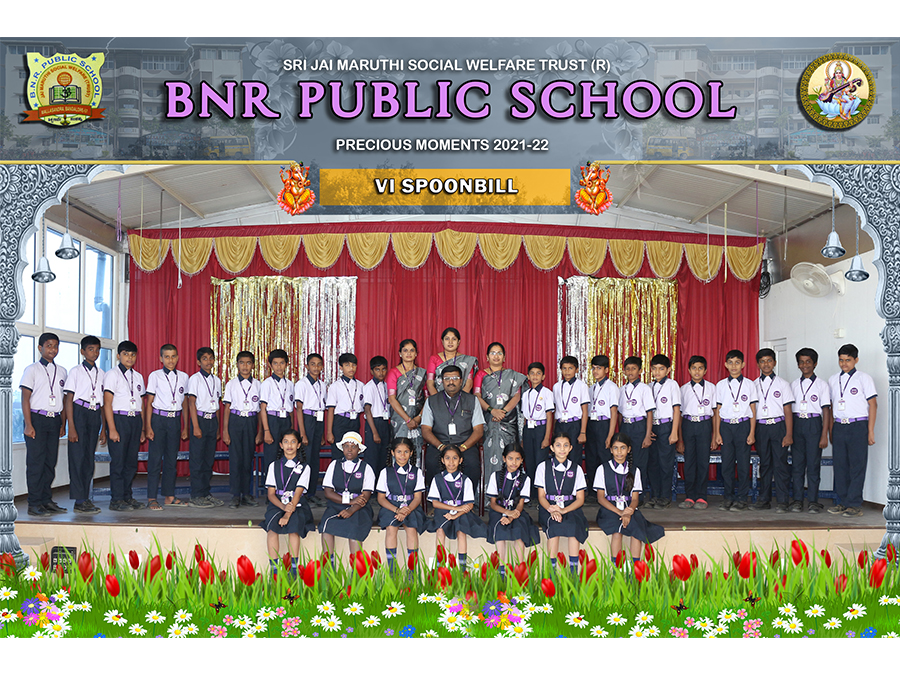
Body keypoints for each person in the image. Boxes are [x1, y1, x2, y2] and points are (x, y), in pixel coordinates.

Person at [595, 432, 665, 563]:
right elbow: (601, 498)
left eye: (623, 448)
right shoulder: (602, 469)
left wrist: (629, 511)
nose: (619, 452)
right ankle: (616, 569)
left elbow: (635, 499)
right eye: (615, 448)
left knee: (637, 531)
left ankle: (636, 568)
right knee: (617, 531)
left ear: (629, 449)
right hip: (609, 509)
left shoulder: (634, 470)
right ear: (611, 450)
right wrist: (620, 512)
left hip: (629, 508)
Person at [20, 332, 69, 517]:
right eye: (49, 346)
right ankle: (34, 503)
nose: (53, 349)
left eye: (55, 346)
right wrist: (28, 424)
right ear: (40, 348)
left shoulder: (62, 371)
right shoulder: (31, 369)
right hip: (37, 420)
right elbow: (25, 399)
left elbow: (63, 400)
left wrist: (62, 424)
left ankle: (46, 500)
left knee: (50, 462)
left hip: (54, 420)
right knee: (36, 463)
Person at [827, 344, 877, 518]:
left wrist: (870, 431)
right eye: (841, 360)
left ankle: (854, 504)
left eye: (848, 360)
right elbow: (832, 406)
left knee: (857, 465)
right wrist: (831, 430)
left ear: (856, 360)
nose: (844, 364)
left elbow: (873, 405)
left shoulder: (864, 378)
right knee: (840, 465)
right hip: (839, 426)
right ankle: (842, 501)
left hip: (858, 426)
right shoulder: (833, 379)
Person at [420, 364, 485, 491]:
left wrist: (463, 447)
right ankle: (437, 498)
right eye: (447, 378)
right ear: (441, 381)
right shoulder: (431, 401)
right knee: (432, 463)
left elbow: (478, 430)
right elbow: (426, 430)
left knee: (472, 464)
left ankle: (467, 499)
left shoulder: (472, 400)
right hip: (440, 444)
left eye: (455, 378)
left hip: (465, 445)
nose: (451, 382)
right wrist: (441, 447)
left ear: (461, 381)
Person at [263, 428, 314, 578]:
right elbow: (271, 494)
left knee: (294, 528)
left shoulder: (305, 467)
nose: (289, 445)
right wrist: (282, 507)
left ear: (298, 445)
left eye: (293, 442)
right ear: (281, 445)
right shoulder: (274, 466)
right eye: (286, 442)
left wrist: (287, 513)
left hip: (297, 504)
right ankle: (274, 570)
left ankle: (293, 569)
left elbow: (298, 493)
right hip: (278, 503)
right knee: (272, 529)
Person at [62, 335, 105, 515]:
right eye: (90, 349)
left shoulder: (102, 373)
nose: (94, 353)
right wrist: (70, 426)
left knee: (88, 458)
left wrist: (104, 428)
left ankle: (85, 498)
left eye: (97, 350)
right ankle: (79, 500)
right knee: (77, 457)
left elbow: (103, 402)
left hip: (95, 414)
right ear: (82, 352)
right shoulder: (75, 372)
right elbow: (68, 399)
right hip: (79, 413)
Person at [143, 343, 190, 510]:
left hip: (175, 421)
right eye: (167, 357)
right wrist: (148, 427)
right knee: (155, 460)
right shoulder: (155, 376)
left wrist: (185, 426)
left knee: (171, 460)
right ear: (161, 358)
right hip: (158, 420)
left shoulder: (184, 377)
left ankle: (169, 496)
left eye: (173, 356)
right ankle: (151, 498)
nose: (170, 360)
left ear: (178, 357)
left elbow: (185, 403)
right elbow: (149, 403)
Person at [535, 430, 589, 573]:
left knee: (574, 526)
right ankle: (551, 573)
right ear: (552, 448)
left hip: (570, 507)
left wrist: (563, 510)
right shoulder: (543, 467)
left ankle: (573, 573)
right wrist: (552, 510)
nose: (562, 449)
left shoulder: (576, 468)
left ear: (571, 448)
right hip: (549, 507)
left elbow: (580, 499)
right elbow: (541, 496)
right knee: (554, 526)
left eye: (566, 445)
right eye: (558, 445)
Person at [428, 444, 487, 571]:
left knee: (461, 531)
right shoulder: (437, 479)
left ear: (460, 460)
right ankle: (439, 567)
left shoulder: (465, 480)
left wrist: (456, 514)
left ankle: (462, 569)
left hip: (462, 513)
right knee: (440, 530)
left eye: (455, 458)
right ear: (442, 460)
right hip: (443, 510)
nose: (451, 461)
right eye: (447, 458)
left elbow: (469, 505)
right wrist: (455, 508)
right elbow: (435, 503)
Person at [318, 431, 375, 561]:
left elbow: (365, 496)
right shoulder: (334, 465)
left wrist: (351, 509)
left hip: (359, 507)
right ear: (342, 448)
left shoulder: (366, 468)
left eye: (353, 446)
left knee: (354, 531)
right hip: (337, 504)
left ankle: (357, 568)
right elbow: (328, 492)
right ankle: (328, 567)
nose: (349, 449)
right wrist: (349, 501)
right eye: (346, 446)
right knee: (326, 528)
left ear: (359, 449)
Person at [103, 340, 146, 512]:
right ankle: (116, 499)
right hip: (119, 420)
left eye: (133, 354)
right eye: (126, 354)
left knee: (131, 462)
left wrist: (142, 428)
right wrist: (112, 429)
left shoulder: (138, 376)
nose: (129, 357)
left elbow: (141, 404)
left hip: (135, 420)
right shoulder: (112, 375)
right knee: (119, 462)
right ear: (118, 356)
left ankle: (127, 496)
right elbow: (107, 404)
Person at [751, 348, 794, 513]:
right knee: (765, 464)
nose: (766, 364)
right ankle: (764, 499)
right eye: (762, 361)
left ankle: (783, 501)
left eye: (769, 360)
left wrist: (788, 434)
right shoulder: (753, 385)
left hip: (778, 426)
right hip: (761, 427)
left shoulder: (783, 384)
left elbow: (788, 410)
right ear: (758, 364)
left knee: (780, 464)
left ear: (774, 362)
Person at [713, 350, 757, 512]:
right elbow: (717, 411)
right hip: (726, 427)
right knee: (727, 464)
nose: (734, 366)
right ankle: (728, 497)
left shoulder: (750, 384)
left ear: (743, 364)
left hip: (743, 426)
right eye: (730, 363)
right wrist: (717, 433)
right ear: (726, 365)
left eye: (737, 362)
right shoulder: (720, 385)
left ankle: (742, 499)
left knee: (744, 464)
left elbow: (753, 409)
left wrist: (752, 432)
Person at [789, 348, 831, 514]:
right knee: (797, 465)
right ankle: (797, 500)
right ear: (798, 364)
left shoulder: (822, 385)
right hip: (797, 423)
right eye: (801, 362)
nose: (804, 365)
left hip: (814, 424)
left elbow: (826, 411)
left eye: (808, 362)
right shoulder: (793, 385)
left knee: (813, 465)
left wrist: (824, 435)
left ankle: (813, 501)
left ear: (815, 364)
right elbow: (789, 410)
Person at [376, 437, 427, 572]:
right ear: (393, 453)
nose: (402, 455)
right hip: (391, 506)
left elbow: (417, 498)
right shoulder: (385, 472)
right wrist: (397, 510)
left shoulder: (416, 472)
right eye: (399, 452)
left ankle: (412, 570)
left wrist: (407, 510)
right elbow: (381, 498)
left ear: (411, 453)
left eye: (406, 452)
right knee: (391, 528)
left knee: (411, 529)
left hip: (411, 506)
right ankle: (392, 569)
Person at [474, 342, 525, 476]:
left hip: (508, 421)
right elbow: (477, 396)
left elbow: (517, 396)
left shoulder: (512, 376)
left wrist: (503, 412)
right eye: (493, 353)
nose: (496, 356)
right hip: (489, 420)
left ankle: (511, 485)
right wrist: (492, 410)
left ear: (504, 357)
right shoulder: (480, 375)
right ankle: (490, 487)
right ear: (487, 357)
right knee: (490, 452)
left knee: (510, 453)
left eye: (499, 353)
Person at [486, 445, 540, 568]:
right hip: (499, 511)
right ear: (504, 458)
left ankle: (519, 569)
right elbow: (493, 503)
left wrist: (511, 517)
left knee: (519, 530)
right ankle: (501, 570)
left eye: (517, 459)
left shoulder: (525, 479)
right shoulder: (495, 476)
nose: (514, 462)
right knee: (500, 530)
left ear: (522, 460)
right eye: (510, 458)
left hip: (517, 512)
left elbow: (520, 504)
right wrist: (506, 513)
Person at [222, 351, 262, 509]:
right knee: (236, 459)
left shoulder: (258, 384)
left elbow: (260, 410)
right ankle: (235, 495)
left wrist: (260, 431)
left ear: (253, 365)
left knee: (247, 459)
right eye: (242, 363)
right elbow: (226, 408)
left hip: (251, 421)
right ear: (237, 364)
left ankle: (246, 494)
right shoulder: (231, 384)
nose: (245, 366)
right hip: (236, 421)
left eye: (248, 363)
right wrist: (225, 430)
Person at [678, 355, 716, 510]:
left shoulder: (712, 388)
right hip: (688, 425)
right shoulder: (683, 389)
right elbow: (679, 415)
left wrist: (715, 436)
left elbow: (715, 413)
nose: (697, 371)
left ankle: (701, 496)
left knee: (702, 462)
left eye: (700, 368)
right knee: (689, 462)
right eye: (694, 368)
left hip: (705, 425)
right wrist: (680, 439)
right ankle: (689, 496)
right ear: (689, 370)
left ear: (705, 370)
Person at [186, 347, 223, 508]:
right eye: (205, 358)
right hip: (199, 420)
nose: (208, 361)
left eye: (211, 358)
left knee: (208, 460)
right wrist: (195, 426)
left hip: (212, 421)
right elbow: (191, 403)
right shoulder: (195, 379)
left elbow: (217, 405)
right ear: (198, 362)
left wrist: (218, 427)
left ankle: (205, 493)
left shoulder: (217, 380)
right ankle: (196, 495)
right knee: (197, 459)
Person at [618, 356, 655, 505]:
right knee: (624, 460)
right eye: (627, 369)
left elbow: (649, 413)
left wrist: (647, 435)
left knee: (639, 463)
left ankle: (638, 496)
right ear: (624, 371)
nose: (630, 371)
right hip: (625, 426)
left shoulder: (645, 389)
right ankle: (625, 493)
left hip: (639, 426)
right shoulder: (621, 390)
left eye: (634, 368)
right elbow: (619, 413)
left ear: (640, 370)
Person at [647, 354, 681, 509]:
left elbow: (676, 410)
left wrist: (674, 432)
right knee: (653, 462)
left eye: (661, 369)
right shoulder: (648, 386)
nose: (657, 372)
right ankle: (654, 495)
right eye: (654, 369)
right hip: (652, 427)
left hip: (666, 426)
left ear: (668, 370)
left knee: (665, 463)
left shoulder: (672, 385)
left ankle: (665, 496)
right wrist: (648, 430)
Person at [294, 352, 326, 505]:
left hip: (318, 421)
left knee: (314, 459)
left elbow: (323, 409)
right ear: (307, 366)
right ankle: (302, 494)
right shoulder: (302, 384)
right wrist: (302, 433)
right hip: (307, 420)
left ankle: (312, 492)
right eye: (312, 364)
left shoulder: (322, 385)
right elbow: (299, 409)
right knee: (304, 459)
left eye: (319, 364)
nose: (316, 367)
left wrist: (322, 434)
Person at [520, 362, 554, 499]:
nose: (535, 376)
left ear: (543, 376)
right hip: (528, 429)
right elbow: (524, 417)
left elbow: (549, 416)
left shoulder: (547, 393)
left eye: (538, 373)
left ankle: (542, 494)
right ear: (528, 376)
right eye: (532, 373)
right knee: (529, 462)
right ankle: (531, 494)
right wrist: (523, 437)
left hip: (541, 429)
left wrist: (547, 437)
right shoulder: (525, 394)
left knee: (540, 462)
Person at [386, 339, 426, 451]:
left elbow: (428, 398)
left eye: (412, 350)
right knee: (400, 450)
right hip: (400, 420)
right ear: (400, 353)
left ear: (416, 353)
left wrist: (418, 418)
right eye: (405, 350)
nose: (409, 353)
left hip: (417, 419)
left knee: (416, 451)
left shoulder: (422, 373)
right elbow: (392, 399)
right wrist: (408, 420)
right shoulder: (394, 373)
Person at [586, 355, 618, 492]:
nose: (595, 371)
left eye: (599, 368)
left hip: (604, 425)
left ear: (606, 370)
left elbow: (614, 413)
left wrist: (610, 435)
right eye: (593, 368)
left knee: (604, 457)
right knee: (591, 458)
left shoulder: (612, 387)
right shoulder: (591, 388)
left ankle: (607, 490)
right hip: (591, 424)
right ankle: (593, 491)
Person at [260, 349, 295, 471]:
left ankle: (284, 480)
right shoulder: (267, 383)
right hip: (272, 421)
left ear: (286, 364)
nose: (279, 366)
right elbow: (263, 408)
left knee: (287, 453)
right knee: (272, 454)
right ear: (270, 365)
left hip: (286, 420)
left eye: (282, 363)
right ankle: (270, 481)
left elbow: (291, 408)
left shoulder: (290, 384)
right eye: (275, 363)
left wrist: (292, 427)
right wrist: (266, 431)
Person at [553, 356, 589, 470]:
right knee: (559, 454)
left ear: (577, 369)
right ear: (560, 370)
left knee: (574, 455)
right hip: (560, 424)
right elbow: (555, 409)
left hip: (574, 425)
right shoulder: (556, 386)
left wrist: (582, 432)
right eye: (564, 368)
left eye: (570, 368)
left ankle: (574, 479)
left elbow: (585, 411)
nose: (567, 371)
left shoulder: (582, 386)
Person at [325, 353, 365, 458]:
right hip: (340, 422)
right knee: (339, 453)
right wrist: (329, 432)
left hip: (355, 421)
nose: (351, 368)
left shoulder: (361, 385)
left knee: (353, 451)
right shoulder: (335, 386)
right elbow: (331, 410)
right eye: (347, 365)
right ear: (341, 367)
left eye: (353, 365)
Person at [426, 327, 478, 395]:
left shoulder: (467, 360)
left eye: (454, 339)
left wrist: (460, 399)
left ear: (458, 342)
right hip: (439, 397)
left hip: (462, 398)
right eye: (447, 339)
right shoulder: (434, 359)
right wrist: (437, 399)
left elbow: (469, 383)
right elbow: (430, 383)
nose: (450, 342)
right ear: (442, 341)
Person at [363, 355, 392, 472]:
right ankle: (370, 483)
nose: (381, 372)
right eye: (377, 369)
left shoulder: (386, 386)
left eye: (383, 369)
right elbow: (367, 410)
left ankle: (381, 482)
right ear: (372, 371)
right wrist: (374, 432)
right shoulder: (369, 387)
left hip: (385, 423)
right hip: (374, 423)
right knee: (372, 457)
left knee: (383, 457)